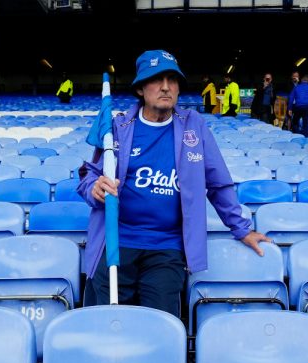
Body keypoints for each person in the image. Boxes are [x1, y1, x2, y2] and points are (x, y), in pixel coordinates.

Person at [77, 49, 271, 316]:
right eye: (157, 79)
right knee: (107, 324)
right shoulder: (117, 127)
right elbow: (89, 175)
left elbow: (218, 184)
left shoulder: (194, 125)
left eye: (173, 80)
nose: (166, 87)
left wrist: (242, 229)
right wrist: (94, 188)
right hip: (116, 242)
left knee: (161, 325)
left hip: (166, 248)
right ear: (141, 89)